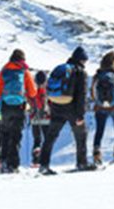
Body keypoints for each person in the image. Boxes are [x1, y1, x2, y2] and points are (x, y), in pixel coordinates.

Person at [39, 46, 92, 174]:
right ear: (81, 60)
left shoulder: (61, 69)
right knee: (81, 135)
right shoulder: (80, 72)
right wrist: (80, 115)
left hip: (57, 106)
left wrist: (52, 106)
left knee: (50, 137)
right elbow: (81, 95)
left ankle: (43, 165)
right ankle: (82, 163)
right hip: (72, 109)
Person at [0, 49, 37, 173]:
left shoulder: (5, 70)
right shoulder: (24, 71)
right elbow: (32, 92)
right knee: (15, 136)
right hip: (19, 107)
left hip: (5, 107)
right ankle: (13, 165)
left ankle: (3, 161)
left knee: (5, 135)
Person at [29, 70, 50, 166]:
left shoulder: (32, 89)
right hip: (45, 116)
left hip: (34, 117)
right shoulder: (47, 90)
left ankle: (35, 160)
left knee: (37, 139)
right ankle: (44, 160)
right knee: (46, 139)